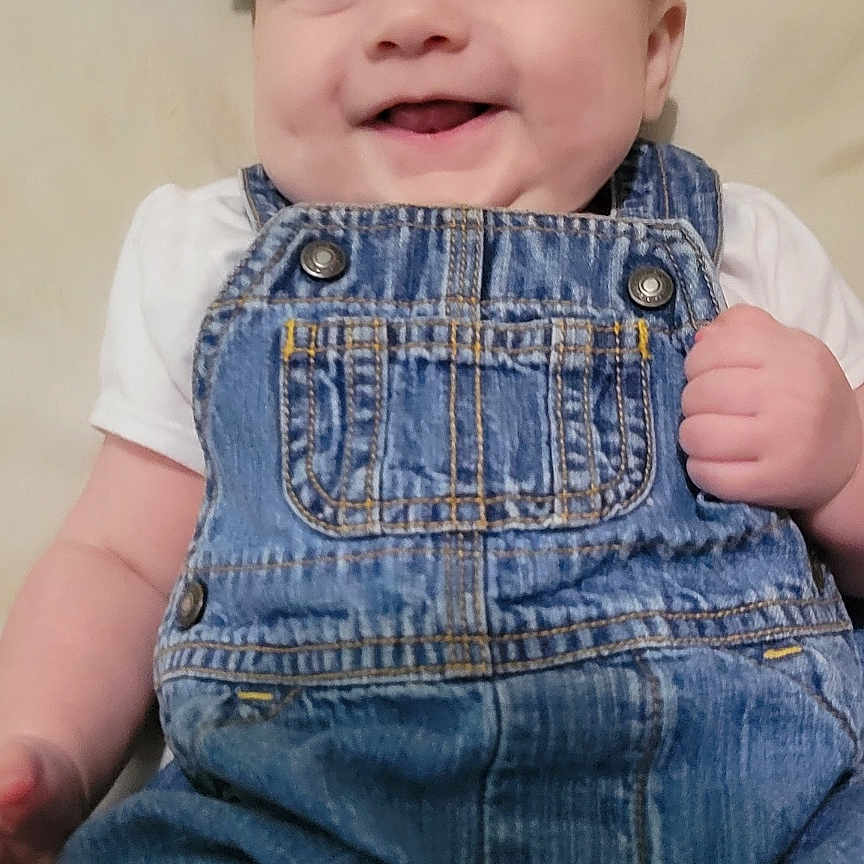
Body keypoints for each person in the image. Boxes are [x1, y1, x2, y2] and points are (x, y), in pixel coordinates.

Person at [1, 0, 863, 861]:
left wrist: (839, 466)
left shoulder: (741, 250)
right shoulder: (211, 256)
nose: (411, 21)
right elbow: (119, 559)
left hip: (746, 797)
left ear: (655, 53)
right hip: (289, 805)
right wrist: (47, 749)